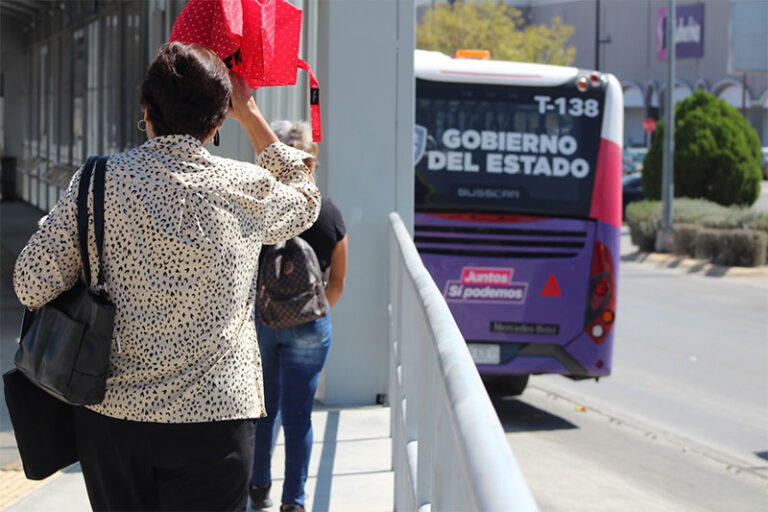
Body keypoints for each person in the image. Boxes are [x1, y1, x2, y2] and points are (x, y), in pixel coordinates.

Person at [13, 42, 321, 512]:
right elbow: (306, 200)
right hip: (218, 419)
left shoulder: (99, 181)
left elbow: (31, 283)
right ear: (219, 121)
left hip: (115, 418)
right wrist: (253, 115)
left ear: (146, 109)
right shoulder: (249, 190)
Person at [249, 121, 348, 512]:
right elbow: (337, 281)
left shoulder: (258, 210)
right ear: (311, 161)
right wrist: (312, 318)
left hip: (263, 323)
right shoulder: (329, 213)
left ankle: (258, 489)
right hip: (308, 326)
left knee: (262, 411)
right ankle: (295, 502)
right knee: (298, 416)